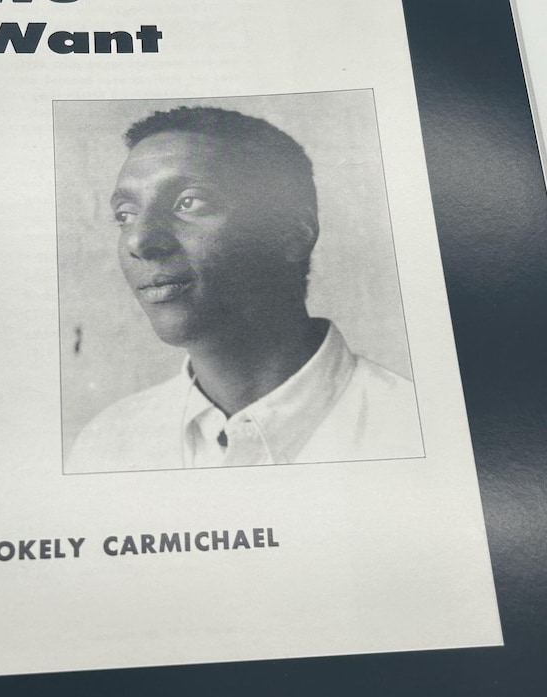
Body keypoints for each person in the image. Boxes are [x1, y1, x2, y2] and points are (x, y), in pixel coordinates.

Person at [66, 106, 423, 473]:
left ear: (293, 232)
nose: (139, 240)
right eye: (125, 215)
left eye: (189, 202)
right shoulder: (108, 444)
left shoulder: (416, 429)